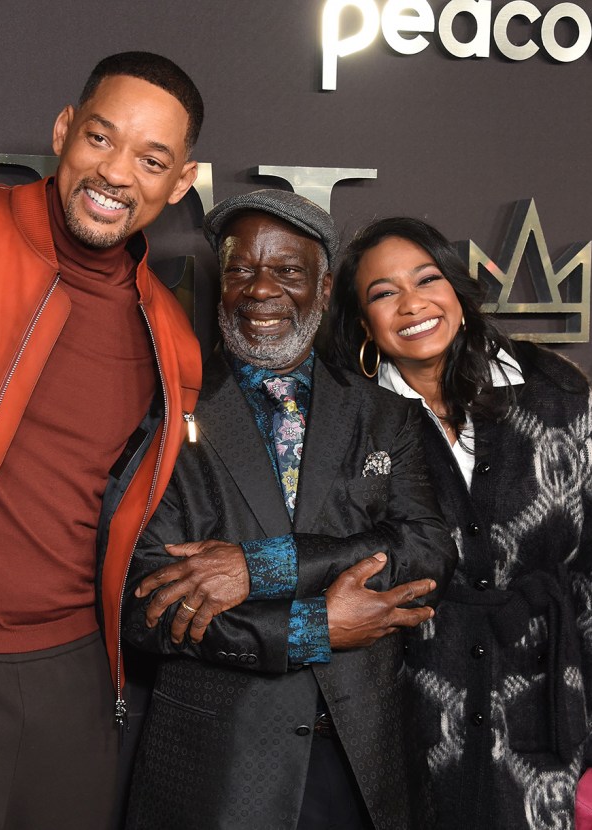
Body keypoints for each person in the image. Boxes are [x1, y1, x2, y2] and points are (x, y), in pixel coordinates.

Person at [0, 51, 203, 830]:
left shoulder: (170, 337)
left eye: (151, 159)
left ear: (180, 183)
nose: (115, 174)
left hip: (75, 681)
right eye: (101, 138)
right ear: (63, 129)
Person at [121, 190, 458, 830]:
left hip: (366, 760)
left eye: (288, 271)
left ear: (325, 290)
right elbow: (148, 606)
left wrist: (263, 567)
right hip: (219, 768)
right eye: (242, 269)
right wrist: (312, 628)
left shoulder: (387, 417)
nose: (261, 289)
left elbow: (426, 549)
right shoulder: (163, 412)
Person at [327, 216, 592, 829]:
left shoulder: (557, 389)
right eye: (383, 292)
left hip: (546, 705)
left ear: (458, 291)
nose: (412, 303)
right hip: (405, 711)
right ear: (363, 322)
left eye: (428, 278)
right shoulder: (352, 421)